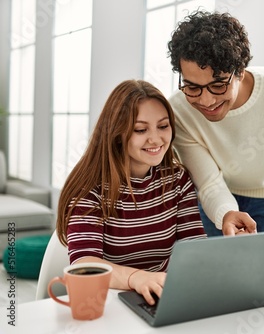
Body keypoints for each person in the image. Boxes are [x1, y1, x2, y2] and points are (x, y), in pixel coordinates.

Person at [167, 10, 264, 252]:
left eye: (217, 85)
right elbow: (208, 181)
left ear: (241, 72)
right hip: (214, 200)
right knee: (216, 279)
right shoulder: (179, 109)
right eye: (192, 86)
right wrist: (227, 212)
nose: (205, 101)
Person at [56, 79, 206, 305]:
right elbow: (84, 265)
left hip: (159, 298)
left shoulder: (177, 179)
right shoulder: (89, 190)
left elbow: (194, 247)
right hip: (106, 301)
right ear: (117, 133)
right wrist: (136, 278)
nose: (156, 139)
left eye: (163, 126)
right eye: (140, 129)